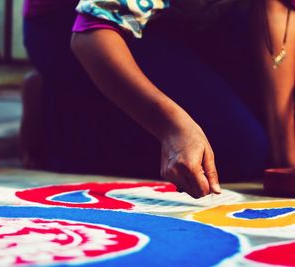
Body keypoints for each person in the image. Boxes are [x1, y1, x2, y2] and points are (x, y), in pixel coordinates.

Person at [20, 0, 294, 198]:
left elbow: (277, 10)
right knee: (237, 151)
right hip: (66, 23)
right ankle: (53, 111)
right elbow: (91, 32)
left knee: (265, 149)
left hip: (179, 19)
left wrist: (285, 153)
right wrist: (171, 127)